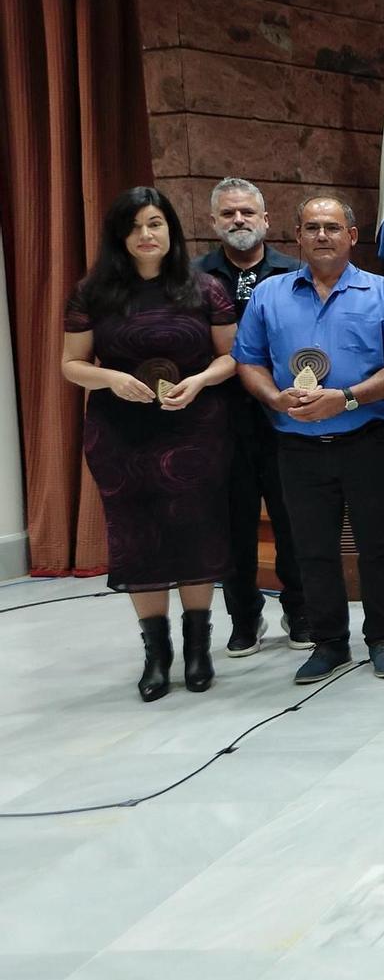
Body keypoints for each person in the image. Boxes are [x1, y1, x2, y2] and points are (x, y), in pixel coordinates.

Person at [233, 196, 384, 682]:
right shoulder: (269, 296)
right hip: (296, 445)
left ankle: (382, 637)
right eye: (313, 227)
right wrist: (273, 398)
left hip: (369, 438)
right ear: (296, 236)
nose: (323, 236)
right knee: (311, 548)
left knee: (379, 545)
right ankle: (328, 643)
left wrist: (347, 398)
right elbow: (248, 360)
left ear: (352, 236)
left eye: (333, 227)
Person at [62, 188, 240, 701]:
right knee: (138, 537)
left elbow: (232, 355)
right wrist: (111, 379)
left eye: (156, 223)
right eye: (136, 226)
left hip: (195, 427)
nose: (146, 235)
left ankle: (199, 648)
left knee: (197, 530)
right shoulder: (93, 292)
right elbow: (70, 365)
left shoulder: (204, 287)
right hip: (122, 434)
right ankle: (156, 654)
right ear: (121, 235)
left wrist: (203, 380)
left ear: (171, 231)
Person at [194, 177, 308, 656]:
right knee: (233, 526)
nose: (238, 221)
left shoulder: (295, 273)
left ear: (266, 220)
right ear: (213, 222)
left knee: (293, 522)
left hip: (283, 419)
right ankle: (245, 619)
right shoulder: (192, 278)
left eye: (247, 213)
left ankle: (300, 613)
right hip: (220, 423)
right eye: (228, 214)